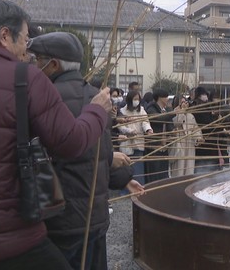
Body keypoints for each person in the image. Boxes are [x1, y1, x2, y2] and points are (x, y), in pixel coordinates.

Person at [0, 0, 111, 269]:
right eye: (24, 39)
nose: (26, 51)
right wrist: (97, 112)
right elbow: (71, 142)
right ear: (4, 35)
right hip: (13, 234)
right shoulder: (25, 78)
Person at [28, 31, 144, 269]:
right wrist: (124, 179)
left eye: (37, 60)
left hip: (61, 217)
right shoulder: (97, 98)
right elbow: (102, 153)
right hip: (96, 215)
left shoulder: (44, 99)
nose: (34, 65)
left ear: (53, 64)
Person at [117, 90, 153, 185]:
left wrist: (148, 130)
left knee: (138, 169)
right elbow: (120, 125)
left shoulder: (141, 110)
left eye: (138, 99)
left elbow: (145, 121)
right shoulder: (122, 111)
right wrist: (129, 131)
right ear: (129, 99)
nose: (137, 101)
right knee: (126, 168)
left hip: (138, 142)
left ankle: (139, 188)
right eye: (135, 99)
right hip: (126, 143)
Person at [144, 88, 176, 183]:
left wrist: (172, 131)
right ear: (160, 98)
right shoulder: (151, 108)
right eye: (166, 97)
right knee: (154, 172)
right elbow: (159, 118)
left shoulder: (166, 110)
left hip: (164, 146)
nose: (167, 99)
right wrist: (173, 113)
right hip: (154, 146)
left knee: (163, 172)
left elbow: (169, 123)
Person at [170, 95, 203, 176]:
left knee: (189, 168)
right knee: (179, 169)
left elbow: (195, 128)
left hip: (189, 144)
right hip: (179, 143)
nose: (185, 104)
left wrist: (199, 138)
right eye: (182, 102)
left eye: (186, 102)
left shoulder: (190, 116)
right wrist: (181, 111)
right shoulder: (174, 113)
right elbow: (177, 123)